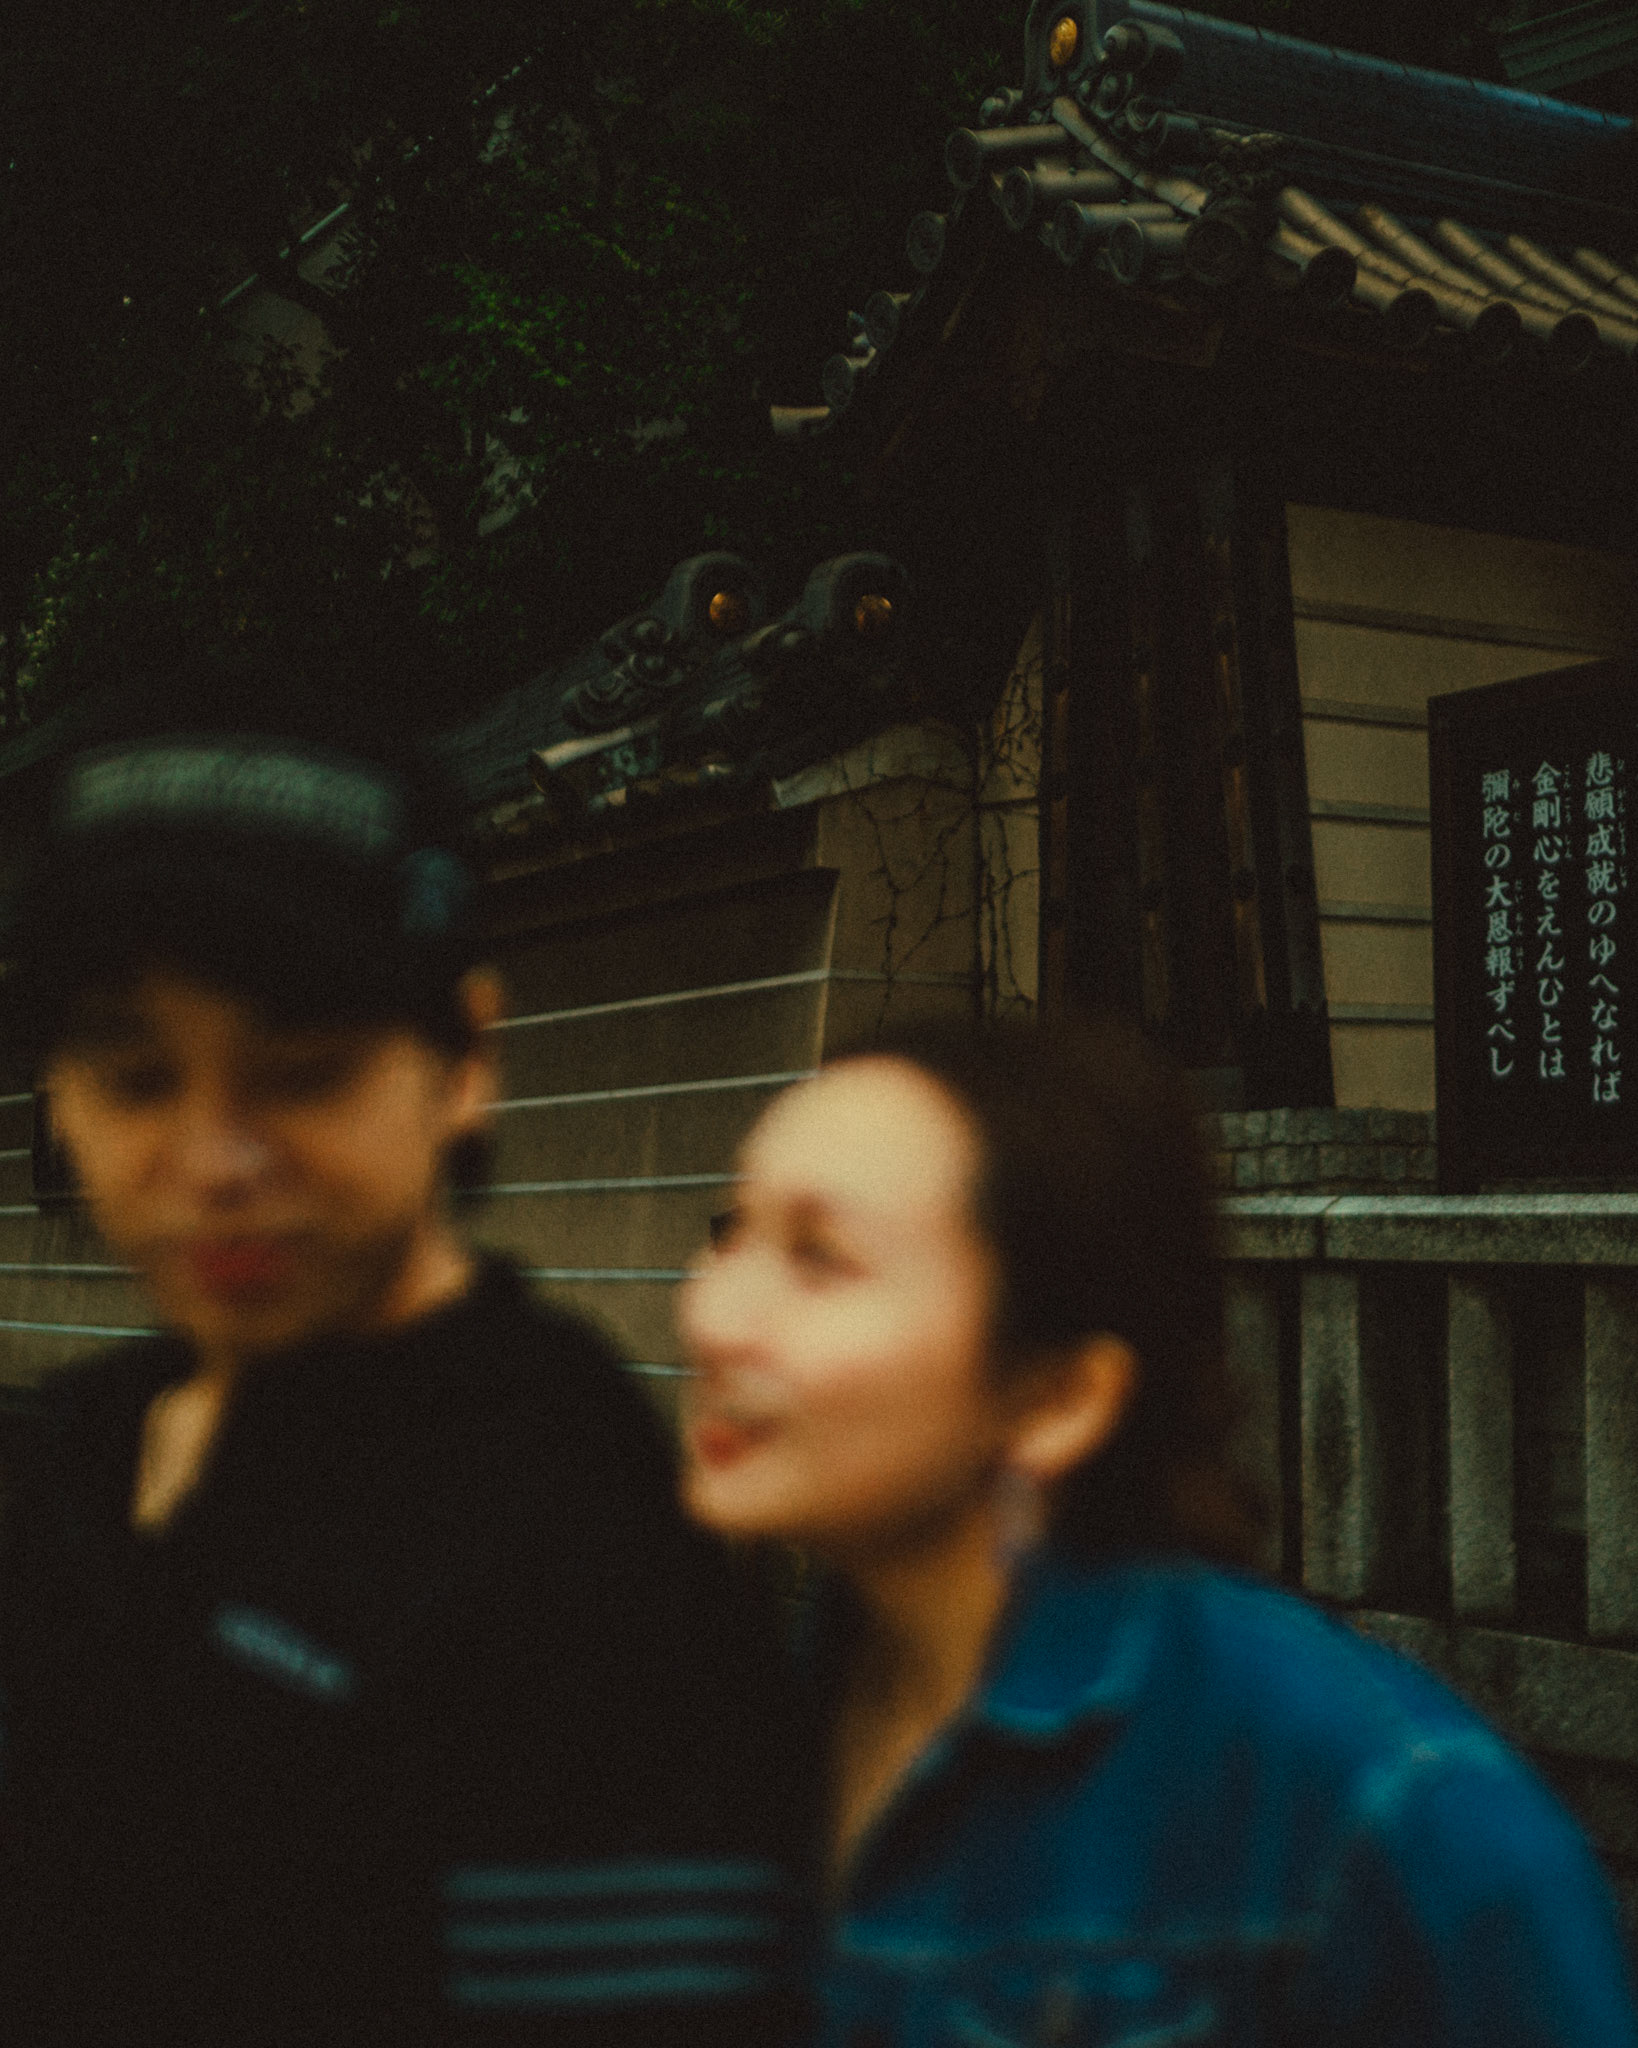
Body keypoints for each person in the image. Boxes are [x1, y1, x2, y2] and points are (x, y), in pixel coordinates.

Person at [0, 693, 800, 2048]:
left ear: (465, 1061)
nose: (215, 1161)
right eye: (136, 1079)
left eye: (303, 1074)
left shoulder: (561, 1513)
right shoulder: (77, 1450)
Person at [677, 1015, 1638, 2048]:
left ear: (1058, 1395)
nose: (712, 1316)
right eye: (732, 1231)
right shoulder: (734, 1729)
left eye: (821, 1257)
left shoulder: (1383, 1823)